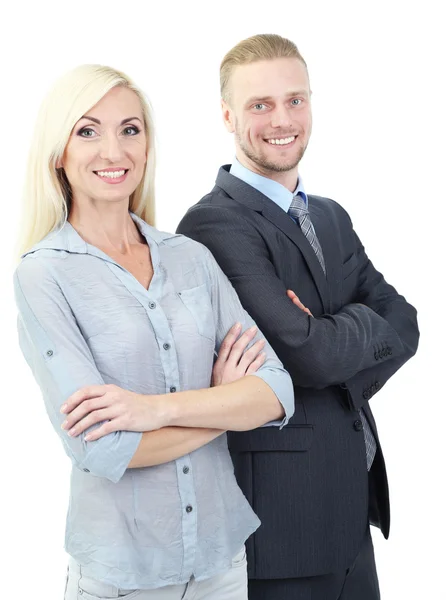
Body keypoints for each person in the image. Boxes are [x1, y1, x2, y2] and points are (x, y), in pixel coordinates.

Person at [13, 64, 295, 599]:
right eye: (88, 131)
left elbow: (276, 392)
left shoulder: (192, 258)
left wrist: (157, 410)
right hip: (124, 577)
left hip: (222, 564)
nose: (114, 152)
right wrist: (222, 404)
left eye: (130, 129)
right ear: (59, 153)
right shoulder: (43, 275)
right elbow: (102, 450)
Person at [177, 34, 420, 600]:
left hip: (351, 510)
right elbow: (306, 355)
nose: (281, 119)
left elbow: (405, 321)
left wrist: (331, 341)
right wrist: (343, 333)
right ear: (228, 116)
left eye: (295, 99)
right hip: (282, 527)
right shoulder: (216, 226)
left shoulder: (330, 217)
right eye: (260, 105)